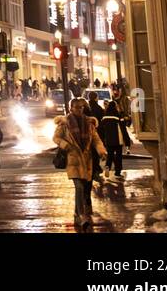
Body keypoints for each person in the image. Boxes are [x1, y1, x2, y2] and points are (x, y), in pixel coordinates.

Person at [53, 97, 106, 231]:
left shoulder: (89, 123)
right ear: (71, 108)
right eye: (76, 107)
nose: (79, 109)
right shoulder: (64, 123)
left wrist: (101, 151)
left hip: (87, 160)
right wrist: (66, 145)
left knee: (83, 187)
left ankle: (77, 214)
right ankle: (81, 215)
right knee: (79, 187)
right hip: (73, 160)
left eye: (81, 107)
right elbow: (56, 138)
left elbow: (96, 139)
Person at [100, 98, 126, 179]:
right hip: (118, 140)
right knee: (118, 156)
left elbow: (101, 128)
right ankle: (117, 172)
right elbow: (123, 128)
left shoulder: (104, 117)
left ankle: (107, 166)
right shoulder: (117, 116)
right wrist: (127, 141)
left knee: (110, 155)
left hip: (108, 140)